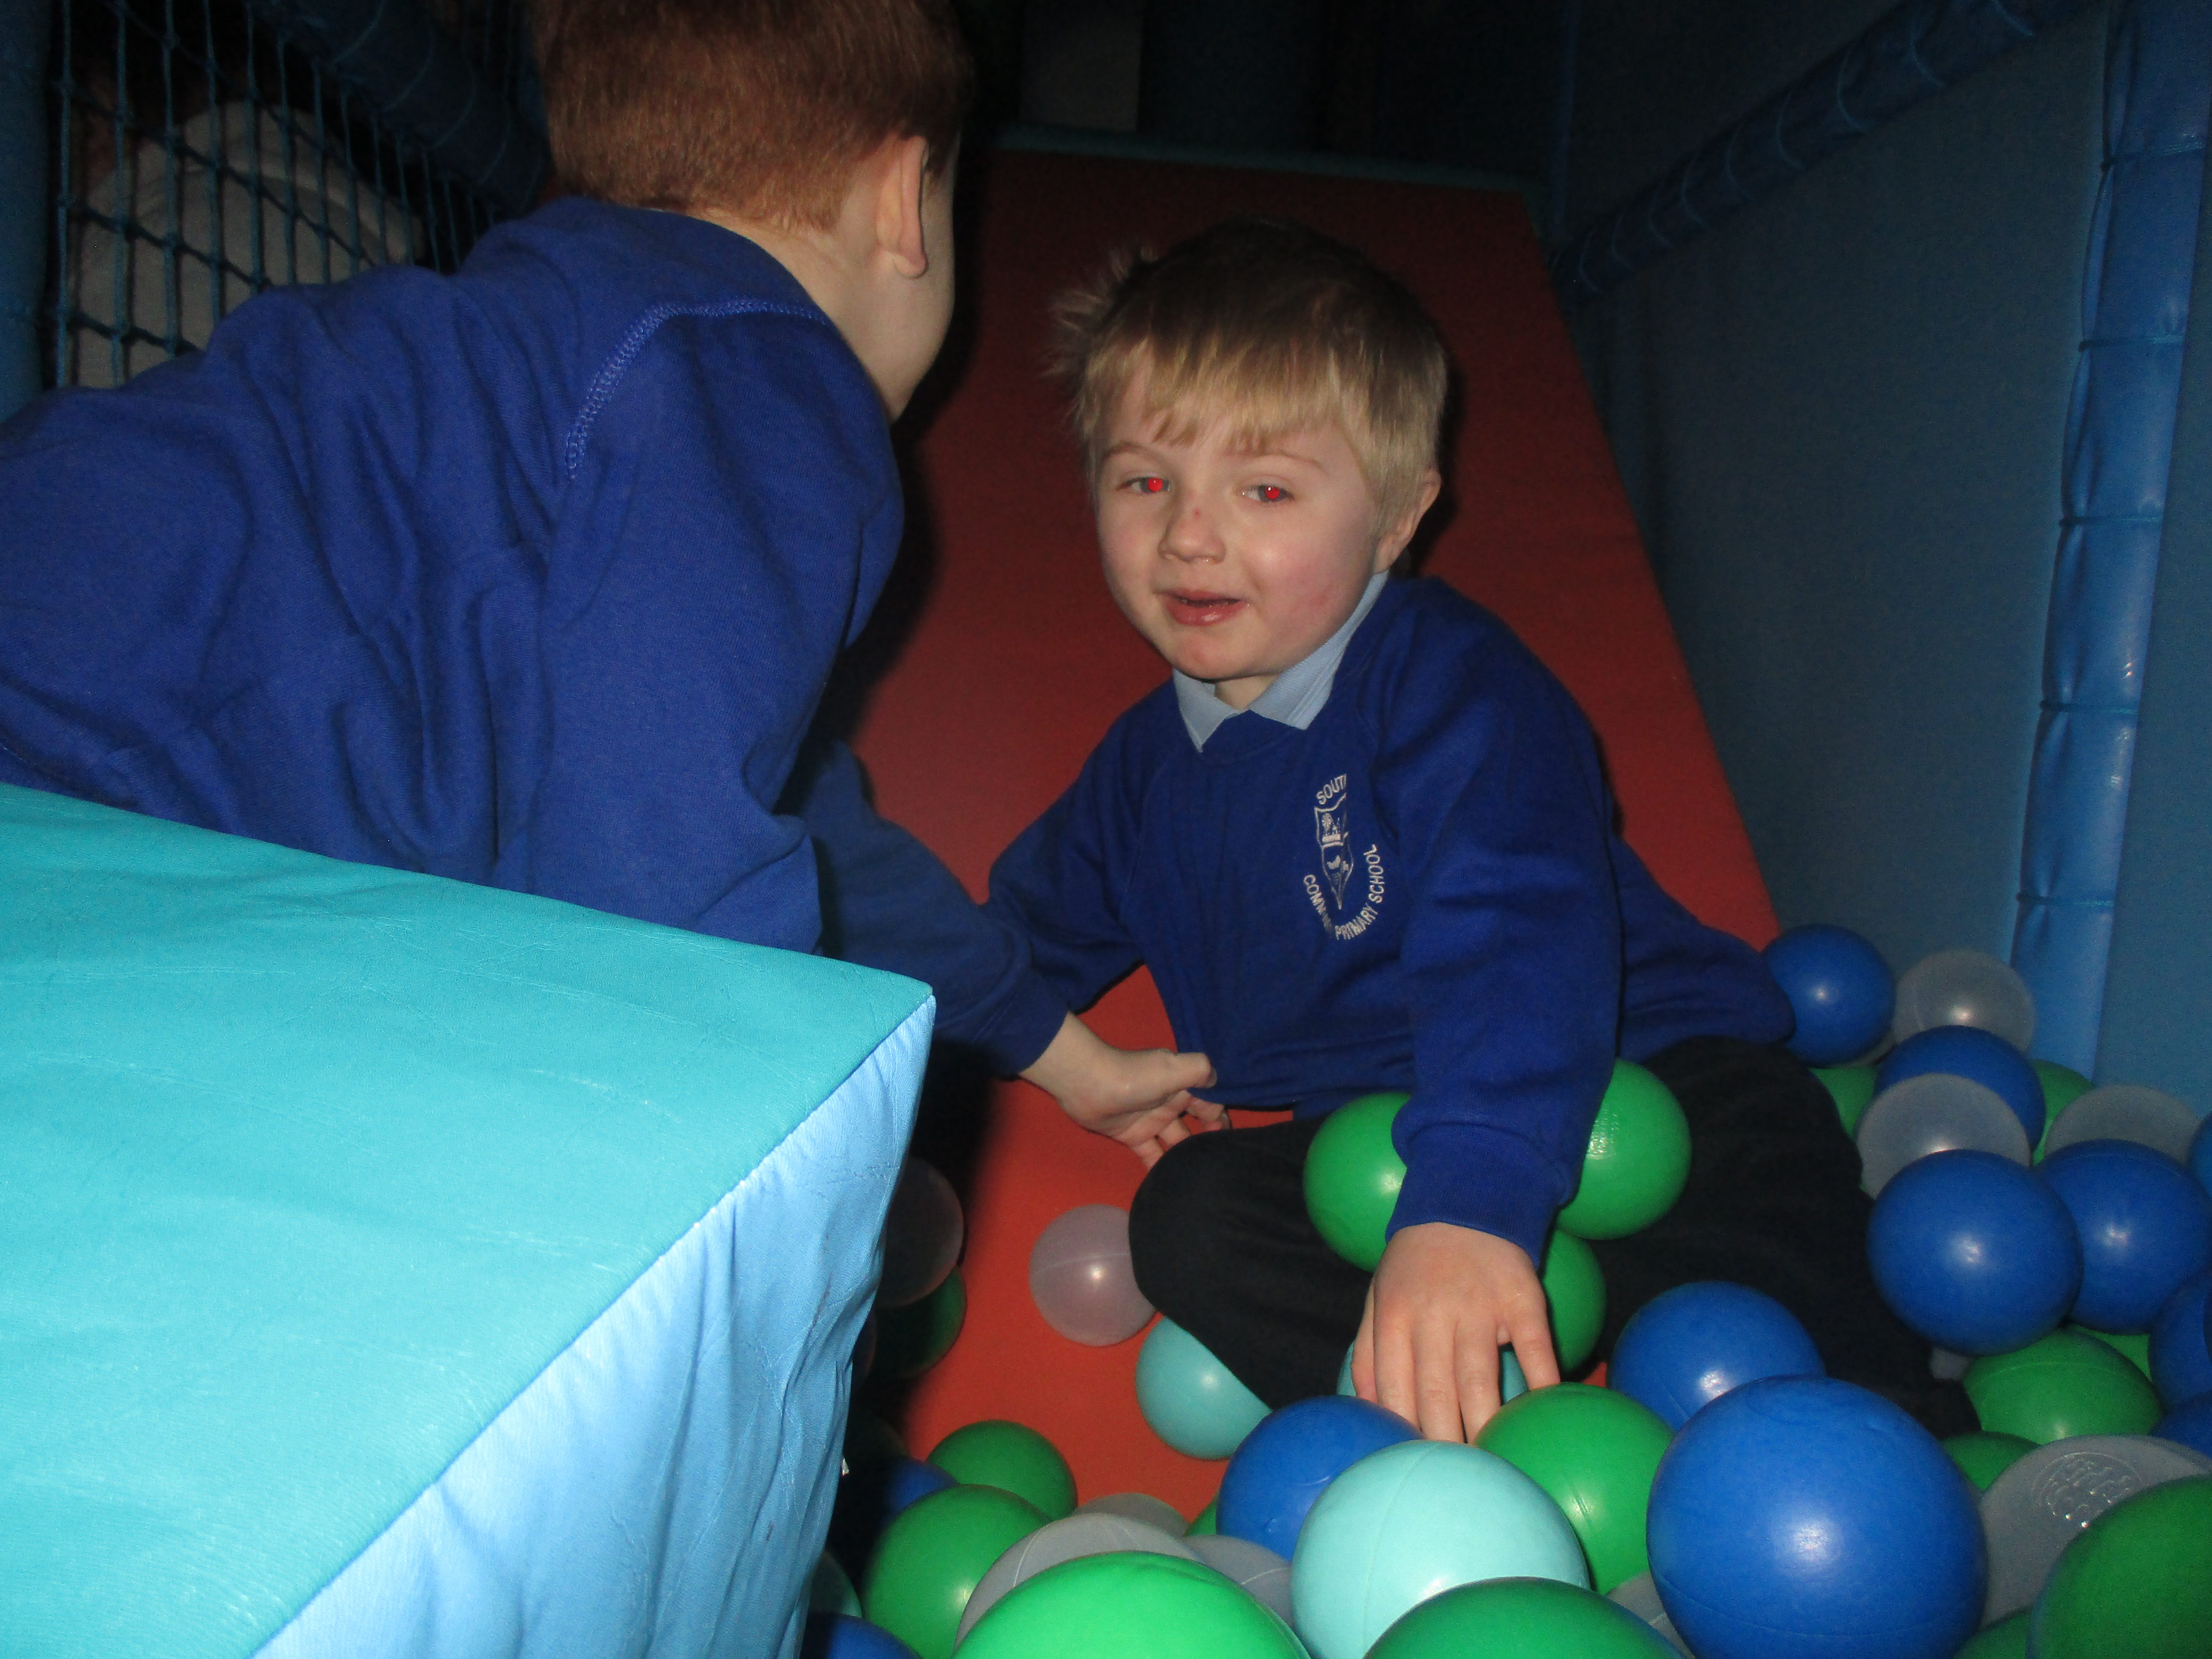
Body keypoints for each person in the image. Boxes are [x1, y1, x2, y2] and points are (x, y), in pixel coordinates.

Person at [0, 0, 1219, 1116]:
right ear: (905, 201)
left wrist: (1063, 1056)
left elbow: (789, 820)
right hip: (71, 790)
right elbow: (662, 919)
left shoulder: (552, 346)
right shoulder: (763, 379)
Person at [983, 218, 1968, 1442]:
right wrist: (1019, 1051)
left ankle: (1880, 1442)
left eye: (1266, 489)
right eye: (1144, 481)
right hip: (1386, 1158)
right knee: (1193, 1215)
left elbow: (1515, 926)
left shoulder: (1452, 683)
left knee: (1773, 1265)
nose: (1189, 533)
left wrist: (1470, 1205)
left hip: (1642, 1078)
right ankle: (1493, 1458)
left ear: (1398, 520)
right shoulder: (1138, 780)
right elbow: (1006, 955)